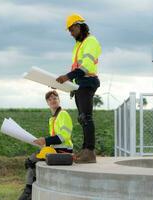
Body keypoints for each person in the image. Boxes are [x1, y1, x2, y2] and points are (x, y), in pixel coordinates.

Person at [56, 13, 101, 163]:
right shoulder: (78, 45)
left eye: (71, 29)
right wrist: (71, 85)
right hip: (80, 83)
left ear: (78, 26)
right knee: (83, 119)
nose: (70, 33)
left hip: (88, 81)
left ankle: (90, 152)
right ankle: (86, 149)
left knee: (86, 118)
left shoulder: (91, 41)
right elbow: (78, 67)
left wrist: (68, 77)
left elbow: (86, 66)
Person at [18, 90, 73, 200]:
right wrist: (44, 144)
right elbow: (54, 139)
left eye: (55, 98)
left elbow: (64, 136)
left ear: (59, 100)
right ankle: (30, 190)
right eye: (50, 99)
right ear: (47, 103)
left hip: (64, 151)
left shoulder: (63, 114)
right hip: (55, 150)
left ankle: (29, 191)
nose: (53, 100)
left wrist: (46, 141)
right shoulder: (52, 119)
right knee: (29, 161)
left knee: (31, 161)